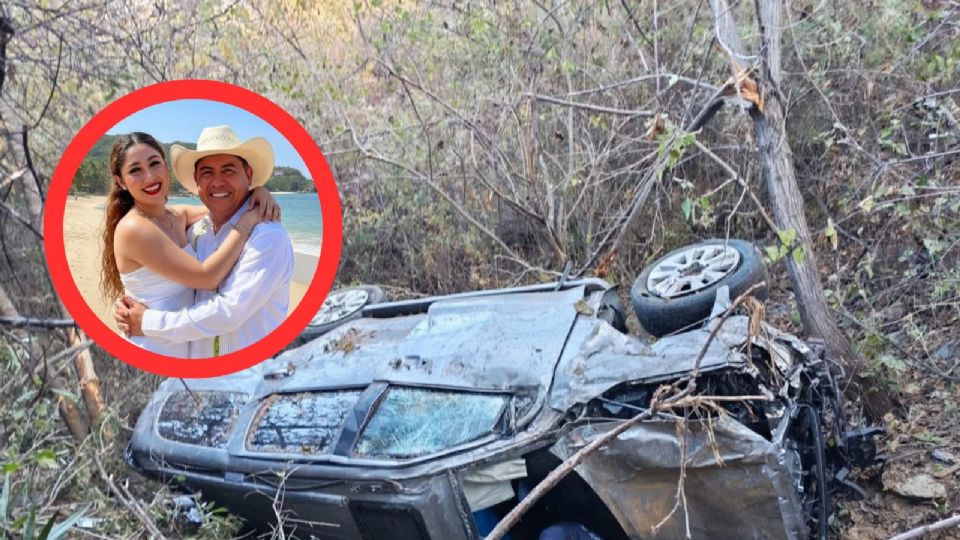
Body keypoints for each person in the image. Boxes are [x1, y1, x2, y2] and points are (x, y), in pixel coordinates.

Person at [114, 125, 294, 358]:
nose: (217, 182)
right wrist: (247, 218)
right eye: (207, 172)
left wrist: (258, 194)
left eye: (228, 170)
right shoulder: (187, 231)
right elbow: (206, 277)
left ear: (248, 175)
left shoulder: (267, 237)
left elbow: (229, 312)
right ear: (197, 180)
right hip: (154, 350)